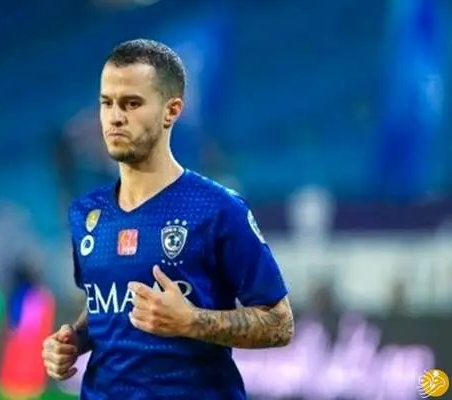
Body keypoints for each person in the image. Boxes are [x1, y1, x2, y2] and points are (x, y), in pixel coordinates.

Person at [42, 39, 294, 399]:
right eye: (106, 103)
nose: (115, 117)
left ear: (171, 111)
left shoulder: (218, 209)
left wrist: (191, 321)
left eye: (131, 103)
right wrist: (74, 341)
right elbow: (105, 305)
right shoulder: (87, 212)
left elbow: (279, 323)